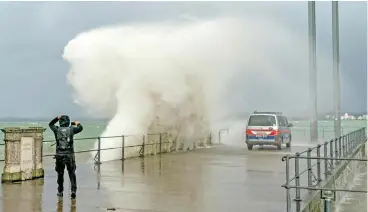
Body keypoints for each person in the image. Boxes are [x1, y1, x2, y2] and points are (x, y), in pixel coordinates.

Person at [49, 115, 83, 199]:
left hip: (59, 156)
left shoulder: (56, 129)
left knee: (60, 174)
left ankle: (60, 191)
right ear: (68, 121)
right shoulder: (71, 129)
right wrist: (76, 123)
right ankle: (73, 191)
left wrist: (57, 117)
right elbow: (80, 128)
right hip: (69, 155)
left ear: (60, 122)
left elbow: (50, 124)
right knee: (72, 173)